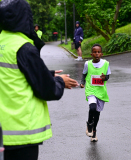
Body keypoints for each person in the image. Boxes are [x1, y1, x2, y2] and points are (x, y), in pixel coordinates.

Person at [0, 0, 79, 159]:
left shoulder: (3, 42)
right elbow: (47, 89)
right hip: (22, 132)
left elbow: (12, 74)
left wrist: (48, 73)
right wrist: (60, 81)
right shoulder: (23, 47)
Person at [80, 44, 111, 142]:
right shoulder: (87, 64)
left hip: (101, 91)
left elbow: (108, 77)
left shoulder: (106, 64)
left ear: (101, 54)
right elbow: (84, 74)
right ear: (91, 54)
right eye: (94, 52)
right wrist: (82, 82)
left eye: (98, 52)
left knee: (97, 114)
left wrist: (104, 77)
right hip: (91, 89)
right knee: (92, 107)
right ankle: (89, 124)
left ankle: (94, 132)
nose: (96, 54)